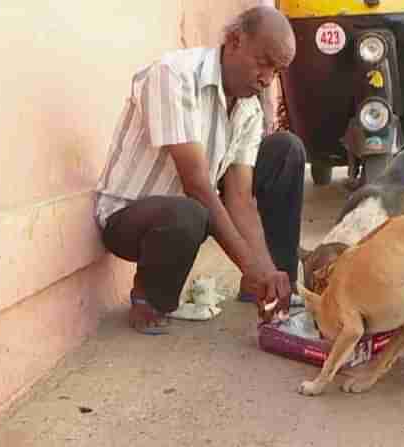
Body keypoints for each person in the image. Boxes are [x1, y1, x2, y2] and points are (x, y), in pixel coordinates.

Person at [94, 6, 305, 334]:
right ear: (234, 40)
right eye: (263, 63)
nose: (267, 80)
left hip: (193, 212)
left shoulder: (248, 107)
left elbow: (240, 198)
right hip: (130, 218)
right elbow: (196, 183)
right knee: (189, 210)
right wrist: (248, 265)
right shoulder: (173, 74)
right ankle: (149, 298)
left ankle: (275, 290)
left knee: (285, 150)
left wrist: (265, 271)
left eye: (276, 71)